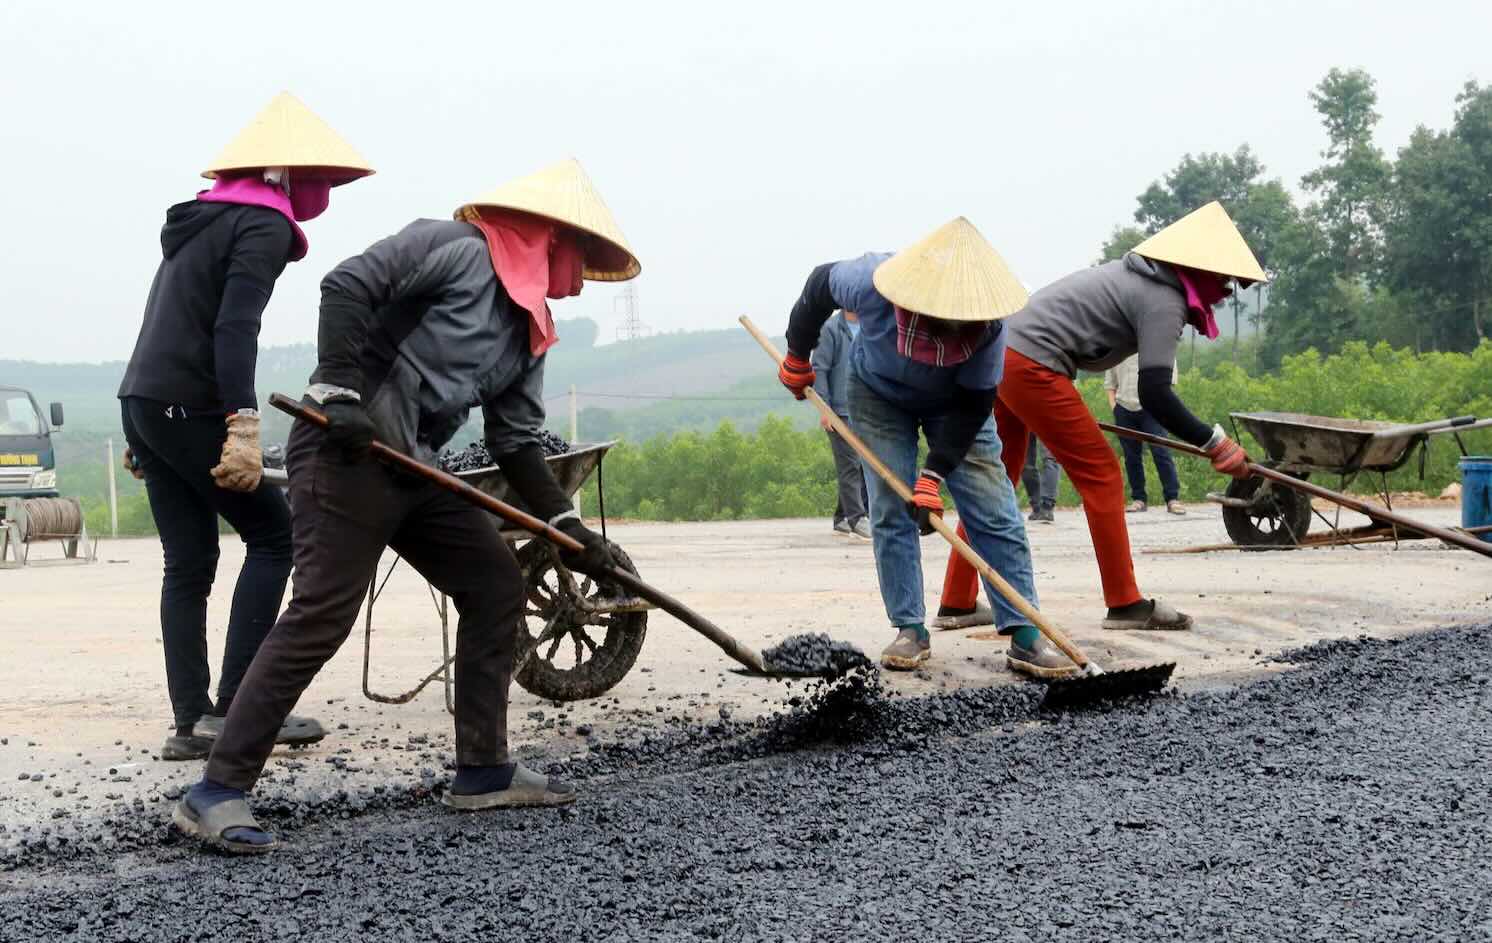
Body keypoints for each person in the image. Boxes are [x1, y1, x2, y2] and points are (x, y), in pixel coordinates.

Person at [174, 159, 637, 853]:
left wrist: (571, 529)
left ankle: (482, 769)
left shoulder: (527, 330)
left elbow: (514, 442)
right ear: (549, 237)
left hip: (412, 464)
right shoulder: (454, 249)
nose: (581, 273)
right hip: (345, 449)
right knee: (323, 611)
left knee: (494, 583)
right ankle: (215, 790)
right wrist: (338, 391)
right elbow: (347, 285)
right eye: (582, 253)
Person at [116, 93, 373, 761]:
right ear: (286, 174)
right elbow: (235, 327)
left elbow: (164, 320)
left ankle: (192, 721)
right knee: (274, 531)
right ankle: (239, 706)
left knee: (190, 560)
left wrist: (145, 425)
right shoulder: (259, 225)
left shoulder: (200, 221)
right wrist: (243, 421)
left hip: (146, 399)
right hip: (185, 404)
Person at [937, 202, 1263, 631]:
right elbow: (1156, 393)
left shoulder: (1138, 277)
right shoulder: (1163, 298)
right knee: (1102, 474)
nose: (1226, 290)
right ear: (1197, 268)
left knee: (997, 484)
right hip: (1030, 363)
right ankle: (1125, 602)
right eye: (1223, 279)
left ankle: (957, 602)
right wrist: (1216, 443)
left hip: (1001, 356)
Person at [778, 218, 1074, 679]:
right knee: (891, 506)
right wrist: (798, 356)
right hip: (875, 393)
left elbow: (975, 403)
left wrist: (933, 476)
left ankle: (1025, 633)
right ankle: (910, 628)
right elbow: (818, 285)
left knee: (994, 508)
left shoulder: (990, 328)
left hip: (955, 404)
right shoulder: (870, 281)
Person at [811, 309, 870, 539]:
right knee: (850, 465)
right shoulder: (831, 330)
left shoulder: (869, 325)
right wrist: (824, 408)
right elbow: (819, 369)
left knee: (863, 464)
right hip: (839, 411)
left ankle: (842, 517)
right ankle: (857, 518)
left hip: (865, 409)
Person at [1105, 354, 1184, 514]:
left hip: (1153, 408)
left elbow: (1169, 381)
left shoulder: (1157, 345)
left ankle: (1172, 499)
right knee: (1131, 456)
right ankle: (1138, 499)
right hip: (1124, 408)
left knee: (1161, 452)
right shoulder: (1117, 348)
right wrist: (1115, 408)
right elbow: (1110, 384)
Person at [1021, 433, 1062, 524]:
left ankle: (1038, 507)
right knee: (1050, 458)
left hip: (1025, 419)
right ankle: (1045, 508)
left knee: (1026, 461)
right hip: (1050, 420)